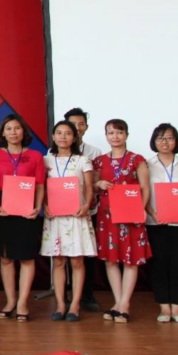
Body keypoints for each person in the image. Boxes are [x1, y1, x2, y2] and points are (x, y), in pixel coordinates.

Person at [0, 114, 45, 323]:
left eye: (17, 128)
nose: (13, 132)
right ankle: (10, 301)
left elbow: (40, 185)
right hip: (3, 208)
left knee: (27, 257)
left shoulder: (36, 156)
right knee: (6, 257)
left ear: (23, 132)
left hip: (27, 208)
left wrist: (38, 207)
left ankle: (22, 303)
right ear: (3, 133)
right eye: (9, 129)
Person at [93, 119, 151, 324]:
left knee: (130, 259)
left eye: (119, 132)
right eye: (111, 133)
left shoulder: (137, 159)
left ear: (126, 135)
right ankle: (117, 302)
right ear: (106, 136)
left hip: (130, 214)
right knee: (111, 260)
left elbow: (145, 187)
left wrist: (141, 209)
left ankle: (125, 303)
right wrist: (99, 184)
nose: (115, 136)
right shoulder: (99, 161)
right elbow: (92, 186)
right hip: (107, 216)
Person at [41, 120, 97, 322]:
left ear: (74, 138)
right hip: (55, 217)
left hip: (76, 215)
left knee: (77, 261)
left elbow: (89, 187)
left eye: (68, 133)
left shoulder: (83, 160)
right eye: (59, 133)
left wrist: (87, 205)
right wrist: (44, 205)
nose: (63, 137)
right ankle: (60, 305)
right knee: (58, 261)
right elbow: (42, 187)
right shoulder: (46, 160)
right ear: (53, 136)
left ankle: (75, 305)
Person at [145, 123, 178, 324]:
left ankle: (177, 309)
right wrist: (152, 214)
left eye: (169, 138)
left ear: (176, 141)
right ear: (154, 141)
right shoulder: (146, 165)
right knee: (159, 266)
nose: (164, 142)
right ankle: (164, 309)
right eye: (160, 138)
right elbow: (143, 194)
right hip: (155, 223)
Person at [63, 107, 103, 312]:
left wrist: (89, 200)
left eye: (81, 124)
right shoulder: (53, 153)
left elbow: (96, 182)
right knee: (64, 256)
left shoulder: (95, 152)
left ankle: (86, 295)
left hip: (87, 210)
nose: (77, 127)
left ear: (86, 127)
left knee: (87, 255)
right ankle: (65, 296)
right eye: (73, 124)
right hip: (62, 212)